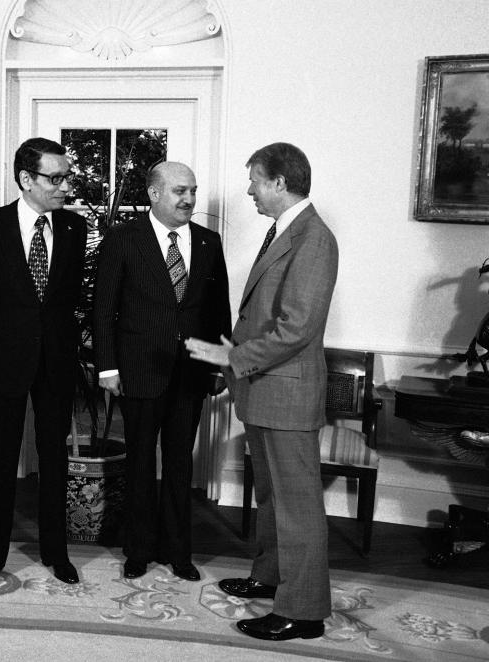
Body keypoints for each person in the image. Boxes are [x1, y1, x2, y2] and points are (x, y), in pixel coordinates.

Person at [185, 142, 337, 641]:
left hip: (286, 394)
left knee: (298, 507)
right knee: (274, 498)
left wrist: (233, 356)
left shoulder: (313, 238)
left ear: (279, 182)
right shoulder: (288, 232)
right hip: (266, 391)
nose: (248, 188)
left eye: (254, 179)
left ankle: (305, 610)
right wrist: (238, 347)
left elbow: (297, 328)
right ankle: (270, 575)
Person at [94, 161, 230, 582]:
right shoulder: (123, 239)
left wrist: (219, 364)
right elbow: (104, 309)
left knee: (179, 466)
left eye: (192, 190)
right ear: (154, 194)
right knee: (138, 464)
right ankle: (138, 550)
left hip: (190, 374)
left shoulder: (209, 241)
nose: (189, 199)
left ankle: (178, 552)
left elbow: (217, 309)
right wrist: (106, 368)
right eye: (179, 191)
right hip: (138, 371)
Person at [0, 137, 87, 590]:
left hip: (56, 364)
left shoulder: (75, 229)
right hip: (3, 364)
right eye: (55, 178)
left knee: (55, 463)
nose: (64, 186)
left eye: (66, 176)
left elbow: (72, 299)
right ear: (25, 179)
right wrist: (1, 344)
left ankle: (57, 553)